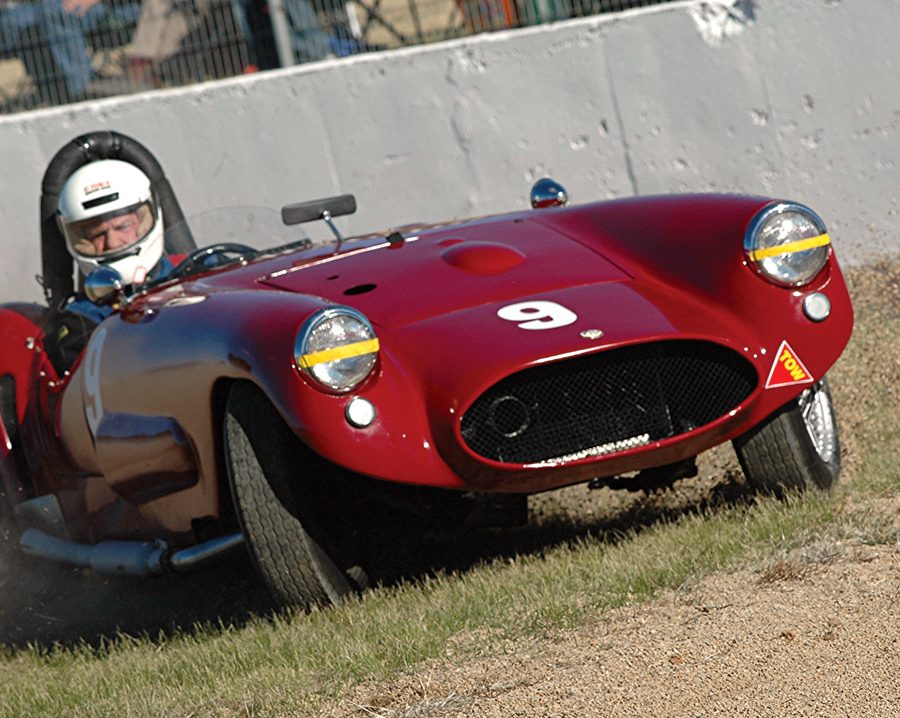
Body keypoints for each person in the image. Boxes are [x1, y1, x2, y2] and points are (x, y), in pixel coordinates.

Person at [56, 158, 172, 324]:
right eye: (97, 234)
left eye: (123, 226)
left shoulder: (193, 276)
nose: (112, 242)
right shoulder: (82, 318)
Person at [0, 0, 140, 105]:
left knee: (54, 10)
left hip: (114, 6)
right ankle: (52, 96)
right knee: (12, 20)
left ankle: (80, 90)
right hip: (49, 6)